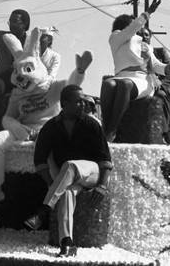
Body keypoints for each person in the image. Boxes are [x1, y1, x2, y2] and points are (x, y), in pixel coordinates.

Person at [24, 85, 112, 258]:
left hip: (92, 173)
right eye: (78, 102)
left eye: (83, 101)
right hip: (69, 180)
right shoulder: (50, 128)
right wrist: (54, 187)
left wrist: (102, 185)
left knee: (71, 165)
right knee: (65, 193)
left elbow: (105, 160)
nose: (83, 105)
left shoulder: (92, 124)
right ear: (65, 103)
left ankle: (43, 211)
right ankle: (67, 243)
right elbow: (40, 162)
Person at [100, 0, 170, 142]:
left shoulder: (146, 46)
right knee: (108, 84)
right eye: (133, 26)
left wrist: (169, 67)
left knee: (125, 85)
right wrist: (148, 12)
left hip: (142, 79)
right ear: (124, 27)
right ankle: (106, 126)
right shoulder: (116, 38)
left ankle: (112, 130)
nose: (137, 30)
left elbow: (157, 67)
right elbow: (131, 29)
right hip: (121, 75)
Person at [137, 27, 170, 144]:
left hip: (159, 86)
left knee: (161, 96)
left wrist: (159, 83)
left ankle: (163, 133)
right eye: (139, 34)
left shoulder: (159, 52)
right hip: (141, 84)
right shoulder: (132, 50)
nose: (143, 37)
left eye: (146, 35)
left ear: (150, 38)